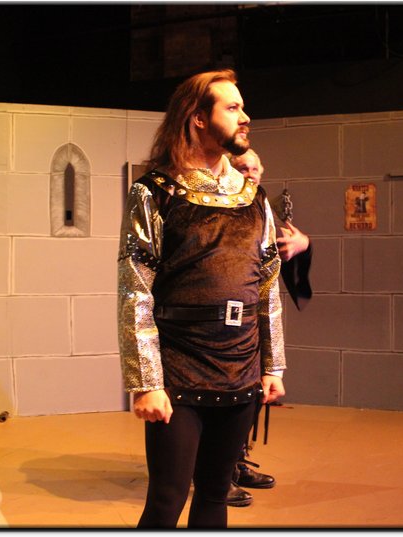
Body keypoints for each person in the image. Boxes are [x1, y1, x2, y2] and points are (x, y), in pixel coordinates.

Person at [117, 70, 286, 528]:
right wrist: (146, 382)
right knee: (167, 500)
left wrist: (273, 366)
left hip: (241, 369)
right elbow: (135, 290)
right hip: (180, 370)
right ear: (197, 119)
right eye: (232, 108)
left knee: (214, 495)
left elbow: (267, 286)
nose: (245, 117)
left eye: (242, 107)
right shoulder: (155, 192)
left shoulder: (254, 196)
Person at [225, 149, 314, 507]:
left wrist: (303, 243)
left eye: (254, 167)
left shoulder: (262, 206)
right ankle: (215, 471)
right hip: (218, 316)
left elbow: (286, 246)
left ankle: (235, 460)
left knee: (251, 392)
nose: (249, 172)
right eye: (241, 167)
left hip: (254, 313)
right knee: (220, 397)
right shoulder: (217, 204)